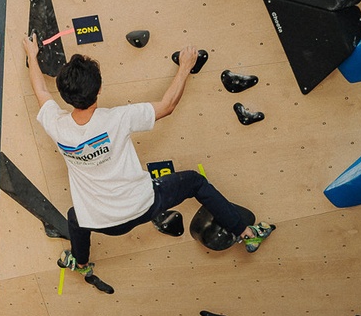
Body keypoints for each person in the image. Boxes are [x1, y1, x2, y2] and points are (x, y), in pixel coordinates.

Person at [23, 35, 275, 290]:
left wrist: (32, 56)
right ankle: (246, 233)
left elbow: (41, 91)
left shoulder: (57, 126)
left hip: (102, 222)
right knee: (196, 183)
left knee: (75, 218)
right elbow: (167, 106)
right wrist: (185, 67)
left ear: (65, 96)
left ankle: (80, 262)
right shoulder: (117, 118)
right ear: (99, 89)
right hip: (144, 205)